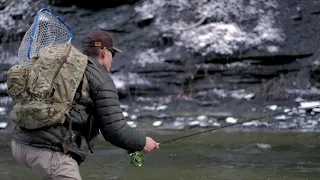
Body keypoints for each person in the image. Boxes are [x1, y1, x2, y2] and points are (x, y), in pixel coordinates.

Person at [11, 29, 160, 180]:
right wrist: (142, 142)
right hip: (49, 152)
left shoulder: (66, 68)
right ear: (103, 51)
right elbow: (115, 131)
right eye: (112, 54)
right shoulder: (101, 79)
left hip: (20, 143)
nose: (113, 60)